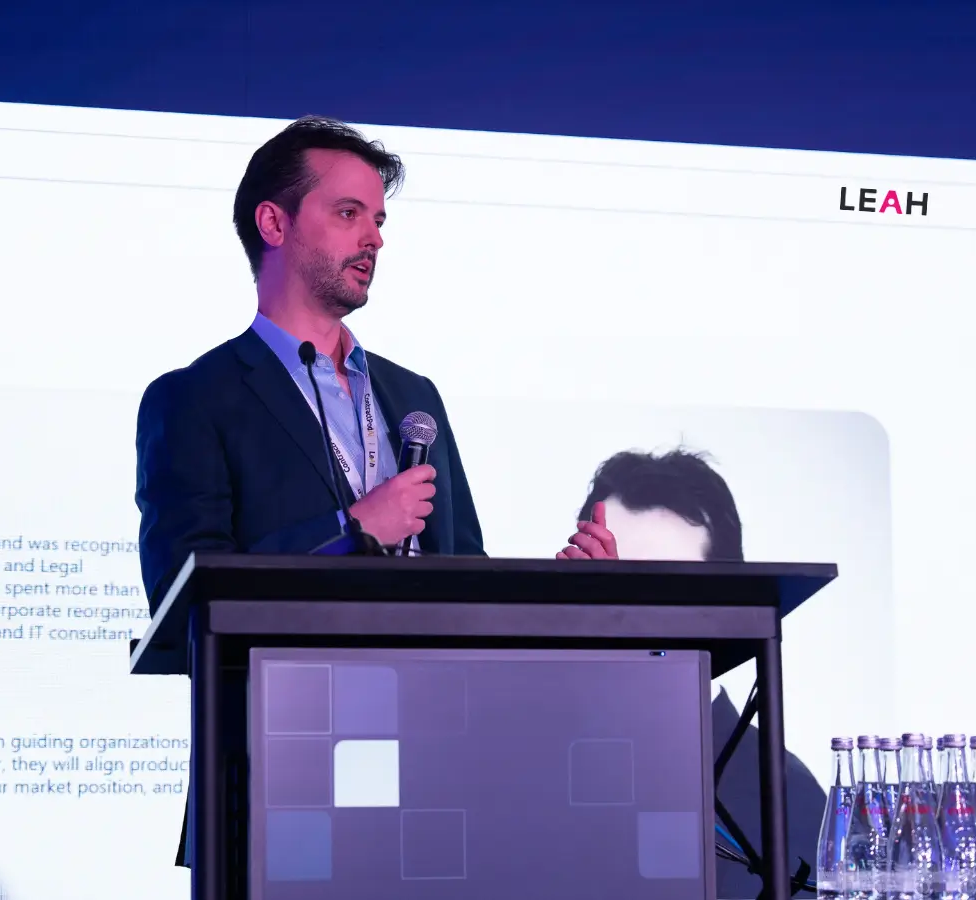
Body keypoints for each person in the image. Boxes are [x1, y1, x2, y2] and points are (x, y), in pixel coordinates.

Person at [135, 115, 619, 866]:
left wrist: (562, 598)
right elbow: (183, 593)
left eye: (380, 220)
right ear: (274, 221)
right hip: (277, 787)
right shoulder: (195, 399)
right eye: (349, 213)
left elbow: (465, 579)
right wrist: (352, 529)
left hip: (437, 785)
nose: (376, 239)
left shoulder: (410, 394)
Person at [577, 447, 827, 899]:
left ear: (725, 605)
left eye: (659, 584)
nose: (626, 613)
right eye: (604, 577)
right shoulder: (537, 755)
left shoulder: (782, 790)